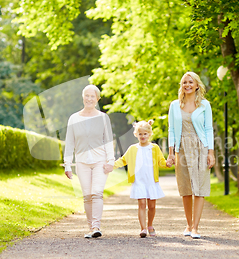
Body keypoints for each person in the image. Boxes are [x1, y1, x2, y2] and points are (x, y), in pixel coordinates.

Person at [166, 72, 215, 239]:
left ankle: (195, 227)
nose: (187, 85)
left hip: (200, 147)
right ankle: (188, 224)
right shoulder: (174, 105)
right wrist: (171, 153)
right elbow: (171, 130)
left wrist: (211, 153)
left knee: (199, 188)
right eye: (184, 82)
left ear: (196, 85)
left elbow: (209, 129)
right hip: (182, 148)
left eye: (190, 82)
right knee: (186, 188)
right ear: (182, 86)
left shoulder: (204, 105)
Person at [64, 84, 114, 238]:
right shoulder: (74, 118)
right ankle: (91, 228)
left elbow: (108, 141)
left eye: (93, 96)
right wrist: (67, 164)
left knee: (97, 193)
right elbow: (70, 142)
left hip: (100, 161)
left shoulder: (103, 118)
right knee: (87, 195)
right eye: (87, 95)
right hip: (81, 162)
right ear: (83, 97)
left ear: (97, 99)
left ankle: (96, 227)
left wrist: (111, 160)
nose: (89, 99)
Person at [114, 120, 171, 237]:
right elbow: (123, 160)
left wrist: (167, 164)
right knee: (141, 204)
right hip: (139, 181)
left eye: (145, 134)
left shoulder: (154, 148)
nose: (143, 136)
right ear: (136, 134)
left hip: (151, 181)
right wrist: (111, 166)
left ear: (149, 134)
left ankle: (150, 224)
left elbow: (161, 161)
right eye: (140, 134)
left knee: (152, 206)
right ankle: (143, 228)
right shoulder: (133, 149)